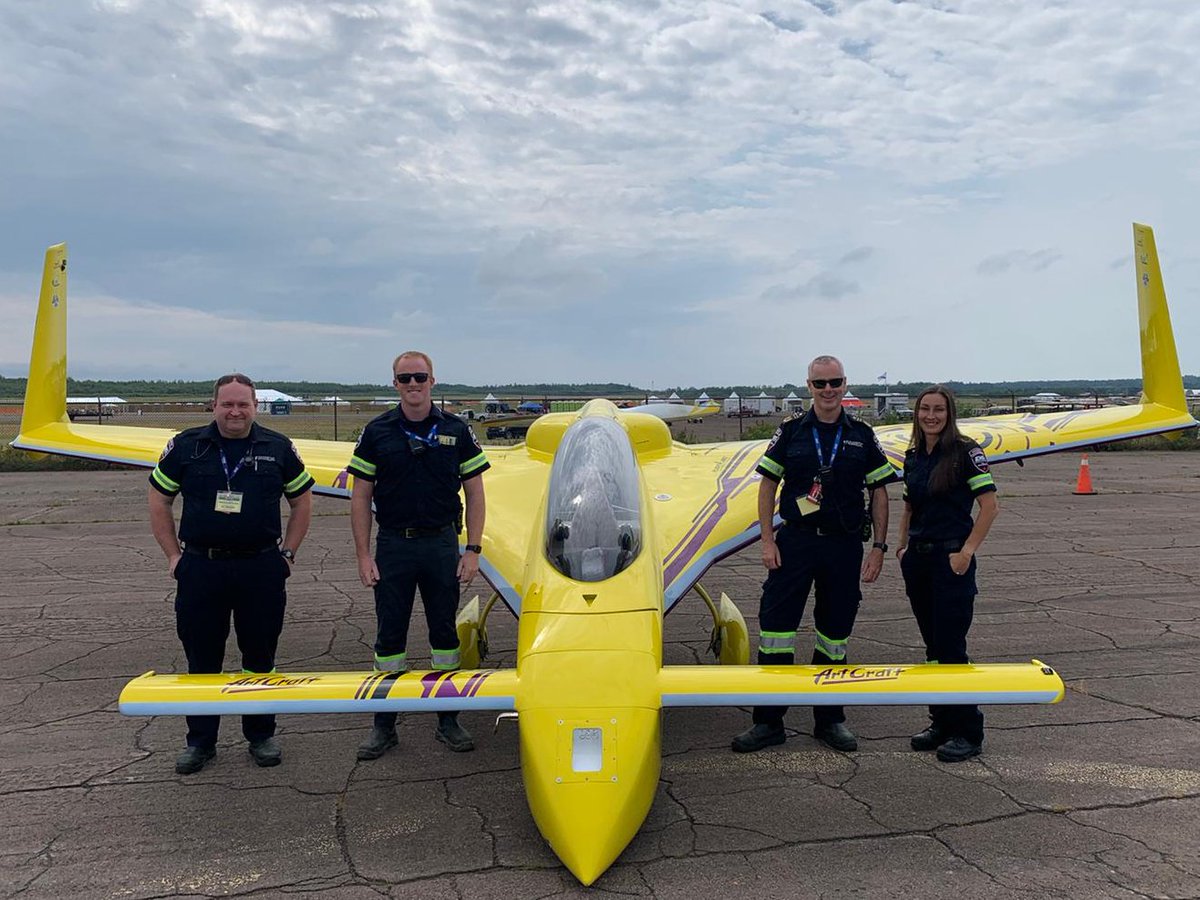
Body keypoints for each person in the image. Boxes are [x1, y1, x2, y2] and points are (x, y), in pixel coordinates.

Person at [149, 373, 314, 774]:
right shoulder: (187, 447)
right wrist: (174, 556)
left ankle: (261, 735)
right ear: (214, 405)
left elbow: (303, 502)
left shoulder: (278, 448)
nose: (235, 411)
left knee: (260, 657)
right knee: (202, 659)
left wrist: (287, 554)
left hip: (260, 567)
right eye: (228, 404)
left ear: (255, 406)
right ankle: (201, 742)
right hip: (202, 568)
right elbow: (158, 501)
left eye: (243, 404)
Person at [732, 355, 898, 754]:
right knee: (776, 631)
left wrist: (878, 547)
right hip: (796, 542)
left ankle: (830, 719)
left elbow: (879, 491)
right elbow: (767, 486)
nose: (828, 390)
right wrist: (768, 541)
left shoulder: (861, 434)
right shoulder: (790, 432)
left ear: (845, 384)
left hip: (842, 546)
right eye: (820, 383)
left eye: (835, 382)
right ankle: (769, 722)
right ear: (808, 386)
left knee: (835, 632)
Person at [349, 351, 488, 759]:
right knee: (389, 638)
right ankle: (383, 724)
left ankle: (448, 719)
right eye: (404, 378)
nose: (413, 384)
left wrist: (473, 549)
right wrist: (362, 555)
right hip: (393, 544)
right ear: (394, 383)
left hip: (441, 544)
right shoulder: (377, 432)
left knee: (444, 637)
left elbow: (475, 492)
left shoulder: (456, 429)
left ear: (432, 380)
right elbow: (361, 497)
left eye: (420, 377)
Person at [896, 385, 998, 762]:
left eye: (939, 410)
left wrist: (967, 552)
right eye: (925, 409)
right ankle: (941, 721)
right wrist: (902, 545)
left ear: (949, 413)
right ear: (917, 413)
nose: (931, 416)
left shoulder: (965, 452)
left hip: (950, 560)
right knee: (933, 649)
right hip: (918, 561)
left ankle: (969, 731)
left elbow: (989, 507)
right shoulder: (913, 456)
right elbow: (908, 506)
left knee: (952, 648)